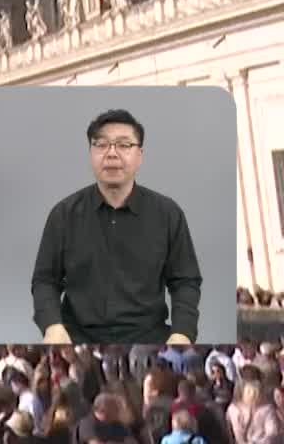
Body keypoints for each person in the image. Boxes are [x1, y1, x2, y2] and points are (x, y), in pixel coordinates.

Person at [30, 109, 204, 344]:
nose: (112, 154)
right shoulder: (63, 215)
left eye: (124, 145)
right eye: (101, 145)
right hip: (77, 337)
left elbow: (185, 281)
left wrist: (182, 332)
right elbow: (44, 281)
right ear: (91, 154)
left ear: (140, 155)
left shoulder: (168, 214)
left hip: (150, 337)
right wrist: (52, 326)